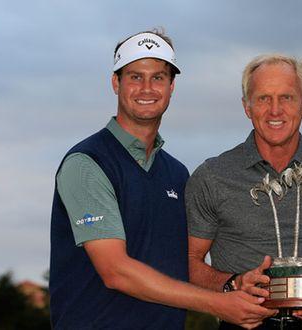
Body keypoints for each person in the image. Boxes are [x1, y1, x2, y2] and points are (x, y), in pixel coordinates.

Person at [49, 29, 275, 329]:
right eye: (135, 77)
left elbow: (183, 266)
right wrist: (219, 304)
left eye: (158, 77)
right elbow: (116, 271)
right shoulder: (88, 163)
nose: (147, 88)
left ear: (171, 86)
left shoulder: (177, 173)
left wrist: (231, 285)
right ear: (116, 82)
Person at [186, 54, 302, 329]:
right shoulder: (211, 176)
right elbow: (190, 263)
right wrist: (231, 283)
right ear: (247, 107)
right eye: (263, 98)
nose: (275, 110)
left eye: (287, 98)